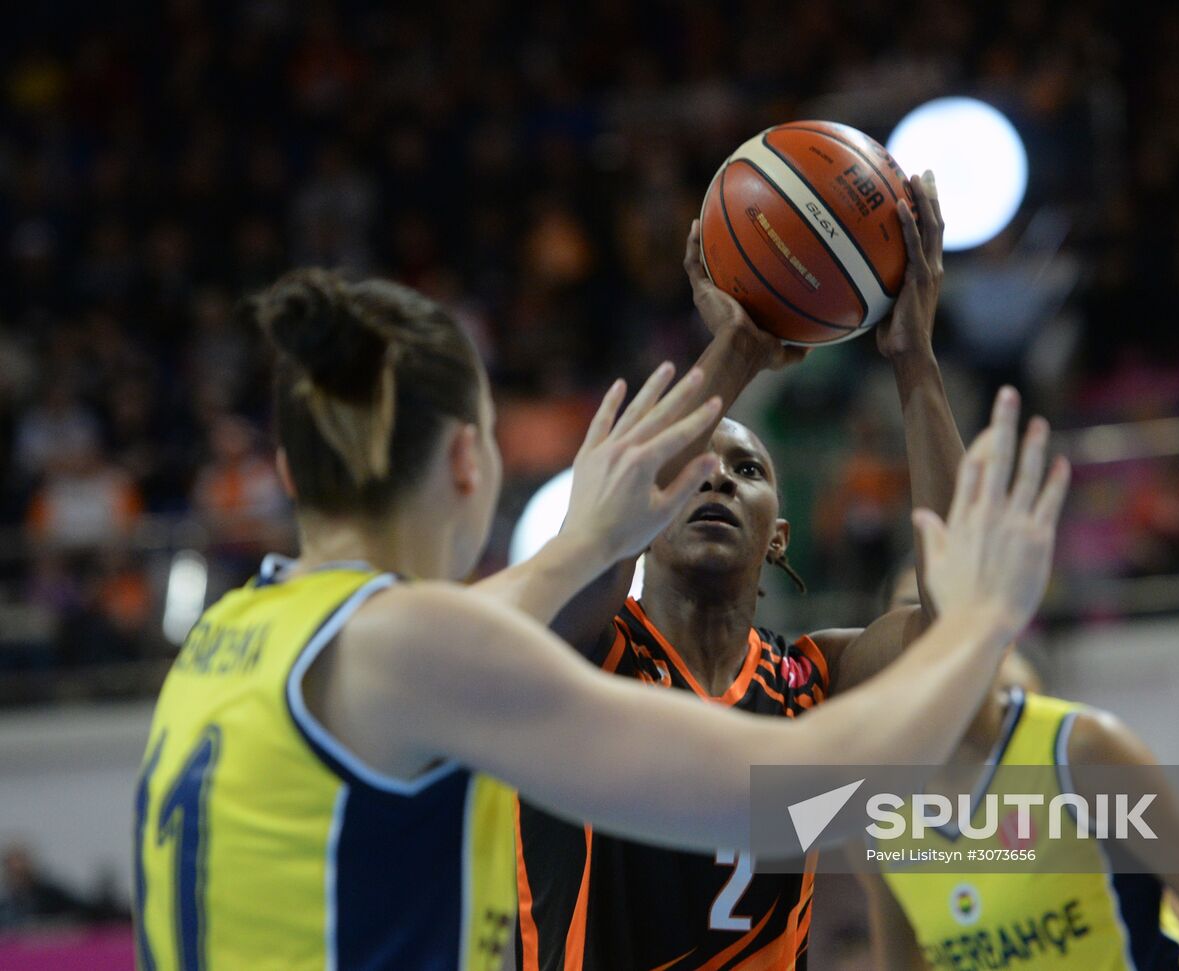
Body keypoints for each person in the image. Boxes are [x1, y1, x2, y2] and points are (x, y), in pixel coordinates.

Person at [132, 267, 1069, 970]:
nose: (714, 482)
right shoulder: (419, 646)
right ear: (471, 462)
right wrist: (984, 618)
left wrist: (771, 352)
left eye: (746, 471)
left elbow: (536, 581)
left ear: (293, 474)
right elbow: (794, 781)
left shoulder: (237, 636)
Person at [513, 173, 994, 970]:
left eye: (747, 471)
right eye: (698, 465)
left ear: (779, 535)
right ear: (650, 506)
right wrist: (739, 346)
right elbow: (595, 537)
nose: (715, 480)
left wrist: (913, 358)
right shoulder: (585, 652)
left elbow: (959, 621)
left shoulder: (814, 681)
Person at [850, 559, 1179, 971]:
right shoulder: (874, 809)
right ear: (879, 641)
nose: (933, 633)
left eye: (950, 610)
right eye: (914, 612)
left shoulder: (1084, 750)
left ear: (1004, 630)